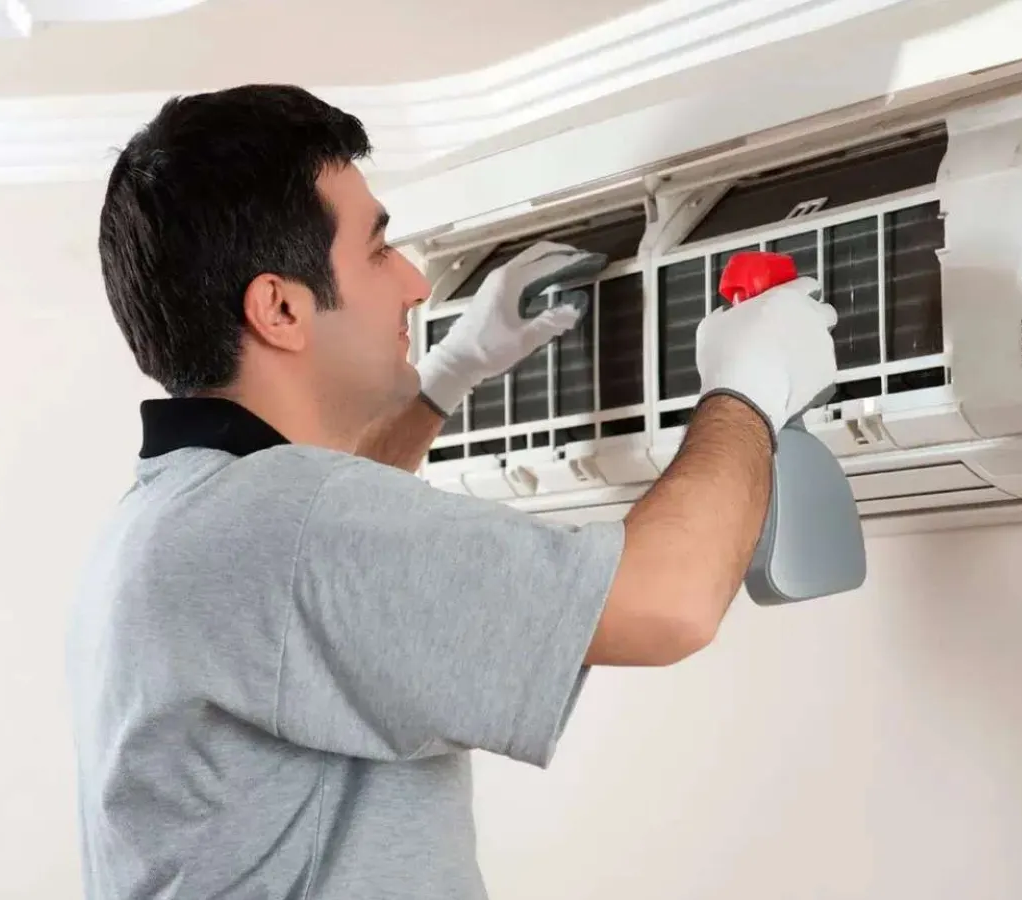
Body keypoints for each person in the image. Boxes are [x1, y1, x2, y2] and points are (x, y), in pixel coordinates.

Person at [66, 83, 840, 900]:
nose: (413, 282)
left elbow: (332, 590)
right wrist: (748, 387)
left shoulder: (167, 516)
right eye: (376, 250)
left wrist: (443, 381)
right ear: (280, 308)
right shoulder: (291, 523)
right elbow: (670, 599)